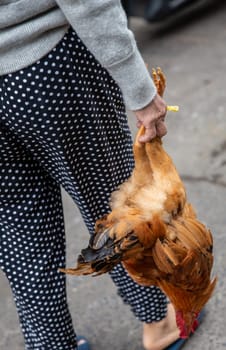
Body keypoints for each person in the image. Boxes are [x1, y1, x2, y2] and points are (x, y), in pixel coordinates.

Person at [0, 1, 180, 349]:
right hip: (48, 65)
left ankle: (51, 345)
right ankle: (158, 323)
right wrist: (140, 89)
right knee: (113, 201)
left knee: (19, 229)